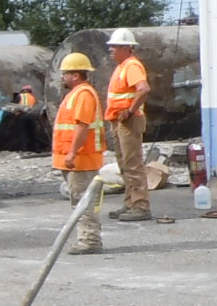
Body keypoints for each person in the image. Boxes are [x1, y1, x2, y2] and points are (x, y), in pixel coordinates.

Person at [53, 53, 104, 254]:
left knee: (83, 200)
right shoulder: (76, 94)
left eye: (65, 73)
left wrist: (72, 153)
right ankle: (87, 238)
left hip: (82, 159)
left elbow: (82, 127)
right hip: (76, 159)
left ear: (75, 75)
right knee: (79, 199)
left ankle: (90, 240)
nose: (62, 77)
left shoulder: (83, 95)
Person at [104, 28, 152, 222]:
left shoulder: (131, 66)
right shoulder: (122, 66)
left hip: (128, 121)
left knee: (132, 164)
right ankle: (130, 203)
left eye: (114, 46)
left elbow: (144, 89)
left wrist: (130, 110)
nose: (111, 50)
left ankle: (140, 206)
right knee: (124, 164)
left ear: (126, 48)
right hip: (120, 120)